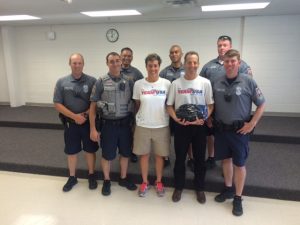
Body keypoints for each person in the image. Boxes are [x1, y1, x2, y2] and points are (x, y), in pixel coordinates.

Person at [212, 49, 265, 216]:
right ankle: (228, 188)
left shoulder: (248, 81)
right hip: (221, 130)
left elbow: (261, 104)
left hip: (240, 132)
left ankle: (237, 197)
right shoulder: (216, 81)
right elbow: (211, 103)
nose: (229, 64)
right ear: (223, 63)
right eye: (227, 61)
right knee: (226, 161)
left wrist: (253, 123)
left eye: (233, 61)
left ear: (239, 63)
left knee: (239, 164)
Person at [167, 51, 214, 204]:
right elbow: (169, 106)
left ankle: (199, 188)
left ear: (198, 64)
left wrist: (204, 117)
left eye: (195, 62)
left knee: (200, 159)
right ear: (184, 63)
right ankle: (178, 187)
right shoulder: (176, 83)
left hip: (199, 127)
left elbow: (210, 105)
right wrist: (176, 119)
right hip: (181, 127)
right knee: (180, 158)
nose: (192, 65)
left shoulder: (205, 83)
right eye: (189, 62)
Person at [200, 35, 253, 169]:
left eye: (225, 45)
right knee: (211, 134)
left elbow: (248, 89)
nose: (222, 48)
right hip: (214, 107)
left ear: (230, 46)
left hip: (233, 110)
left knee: (234, 141)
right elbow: (201, 86)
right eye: (219, 45)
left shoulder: (242, 65)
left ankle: (232, 164)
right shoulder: (208, 66)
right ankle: (212, 157)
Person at [89, 52, 137, 196]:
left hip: (125, 125)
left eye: (117, 60)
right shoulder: (100, 81)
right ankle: (107, 180)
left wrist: (135, 126)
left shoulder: (129, 81)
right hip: (108, 125)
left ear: (121, 62)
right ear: (107, 63)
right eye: (112, 61)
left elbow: (135, 104)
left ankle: (123, 178)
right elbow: (92, 107)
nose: (115, 63)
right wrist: (93, 128)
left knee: (125, 153)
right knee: (107, 155)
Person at [53, 53, 99, 192]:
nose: (77, 65)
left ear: (83, 64)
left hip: (88, 122)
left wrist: (84, 115)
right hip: (70, 124)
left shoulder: (92, 81)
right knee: (71, 151)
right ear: (70, 64)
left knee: (89, 150)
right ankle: (72, 177)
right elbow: (57, 104)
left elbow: (95, 102)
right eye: (74, 63)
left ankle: (91, 174)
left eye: (79, 63)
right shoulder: (61, 82)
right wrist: (75, 116)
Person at [133, 53, 171, 197]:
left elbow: (169, 104)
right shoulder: (139, 84)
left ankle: (159, 181)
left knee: (160, 156)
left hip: (161, 125)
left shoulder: (167, 84)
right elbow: (137, 104)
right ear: (146, 66)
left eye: (155, 66)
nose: (153, 68)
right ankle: (144, 182)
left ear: (159, 66)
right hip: (143, 125)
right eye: (150, 66)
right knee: (144, 155)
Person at [159, 45, 188, 169]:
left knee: (185, 136)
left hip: (183, 109)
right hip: (167, 109)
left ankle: (189, 158)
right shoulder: (164, 72)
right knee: (166, 134)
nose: (174, 54)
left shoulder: (187, 70)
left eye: (176, 52)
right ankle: (165, 157)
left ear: (181, 54)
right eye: (171, 52)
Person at [120, 47, 144, 163]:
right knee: (122, 130)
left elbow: (143, 88)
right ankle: (123, 150)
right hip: (118, 108)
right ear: (120, 56)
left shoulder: (137, 73)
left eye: (129, 56)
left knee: (133, 130)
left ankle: (133, 151)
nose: (126, 58)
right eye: (124, 55)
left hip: (133, 107)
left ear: (132, 58)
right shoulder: (115, 69)